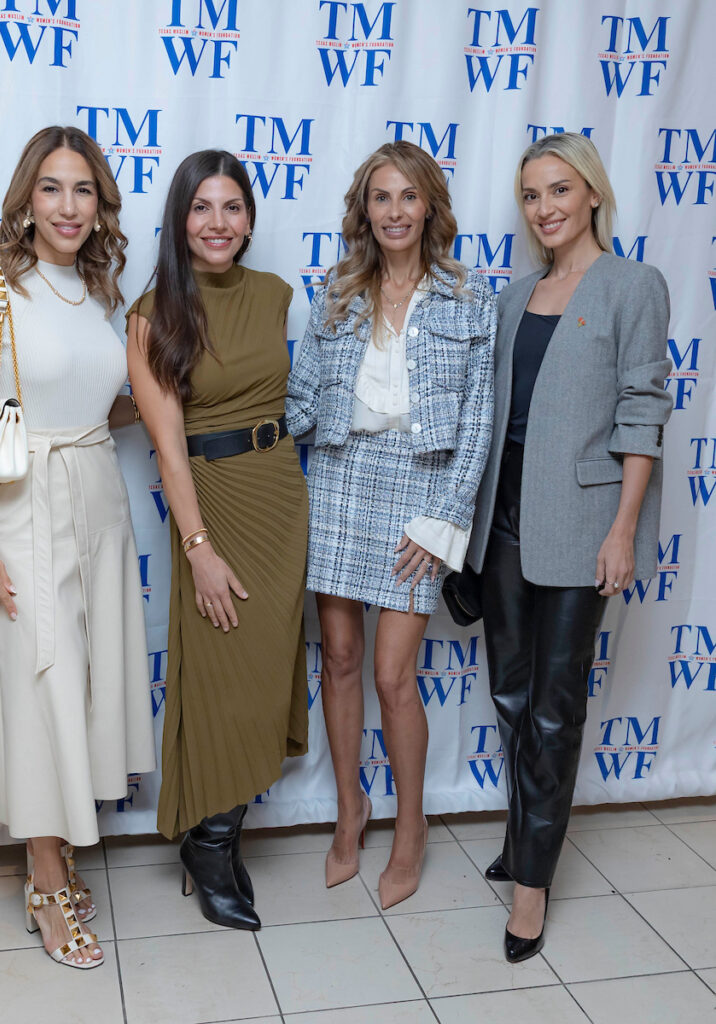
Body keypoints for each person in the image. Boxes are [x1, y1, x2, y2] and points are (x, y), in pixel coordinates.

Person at [0, 125, 156, 970]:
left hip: (97, 499)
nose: (68, 205)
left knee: (83, 686)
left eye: (83, 189)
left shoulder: (98, 293)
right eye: (52, 188)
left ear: (101, 205)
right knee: (39, 684)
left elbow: (96, 404)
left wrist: (167, 397)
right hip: (22, 512)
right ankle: (46, 878)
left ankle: (56, 854)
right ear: (26, 200)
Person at [465, 132, 673, 962]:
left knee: (554, 709)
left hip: (584, 529)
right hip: (505, 527)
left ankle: (531, 888)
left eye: (559, 190)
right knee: (512, 696)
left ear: (591, 193)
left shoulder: (633, 285)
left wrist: (623, 529)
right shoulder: (516, 296)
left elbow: (642, 411)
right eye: (531, 195)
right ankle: (525, 840)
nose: (544, 208)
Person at [287, 140, 496, 910]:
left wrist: (446, 517)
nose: (395, 211)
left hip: (421, 487)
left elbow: (479, 419)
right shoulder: (337, 291)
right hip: (340, 477)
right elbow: (301, 396)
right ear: (365, 210)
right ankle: (351, 811)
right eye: (382, 197)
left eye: (409, 196)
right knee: (340, 658)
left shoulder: (468, 294)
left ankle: (412, 828)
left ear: (429, 205)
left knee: (390, 674)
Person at [126, 150, 308, 931]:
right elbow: (167, 447)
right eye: (202, 207)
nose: (218, 223)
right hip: (213, 505)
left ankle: (220, 834)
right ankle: (207, 843)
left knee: (262, 677)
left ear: (250, 219)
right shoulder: (154, 313)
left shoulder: (276, 295)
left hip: (279, 496)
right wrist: (198, 546)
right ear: (179, 219)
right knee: (222, 676)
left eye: (232, 207)